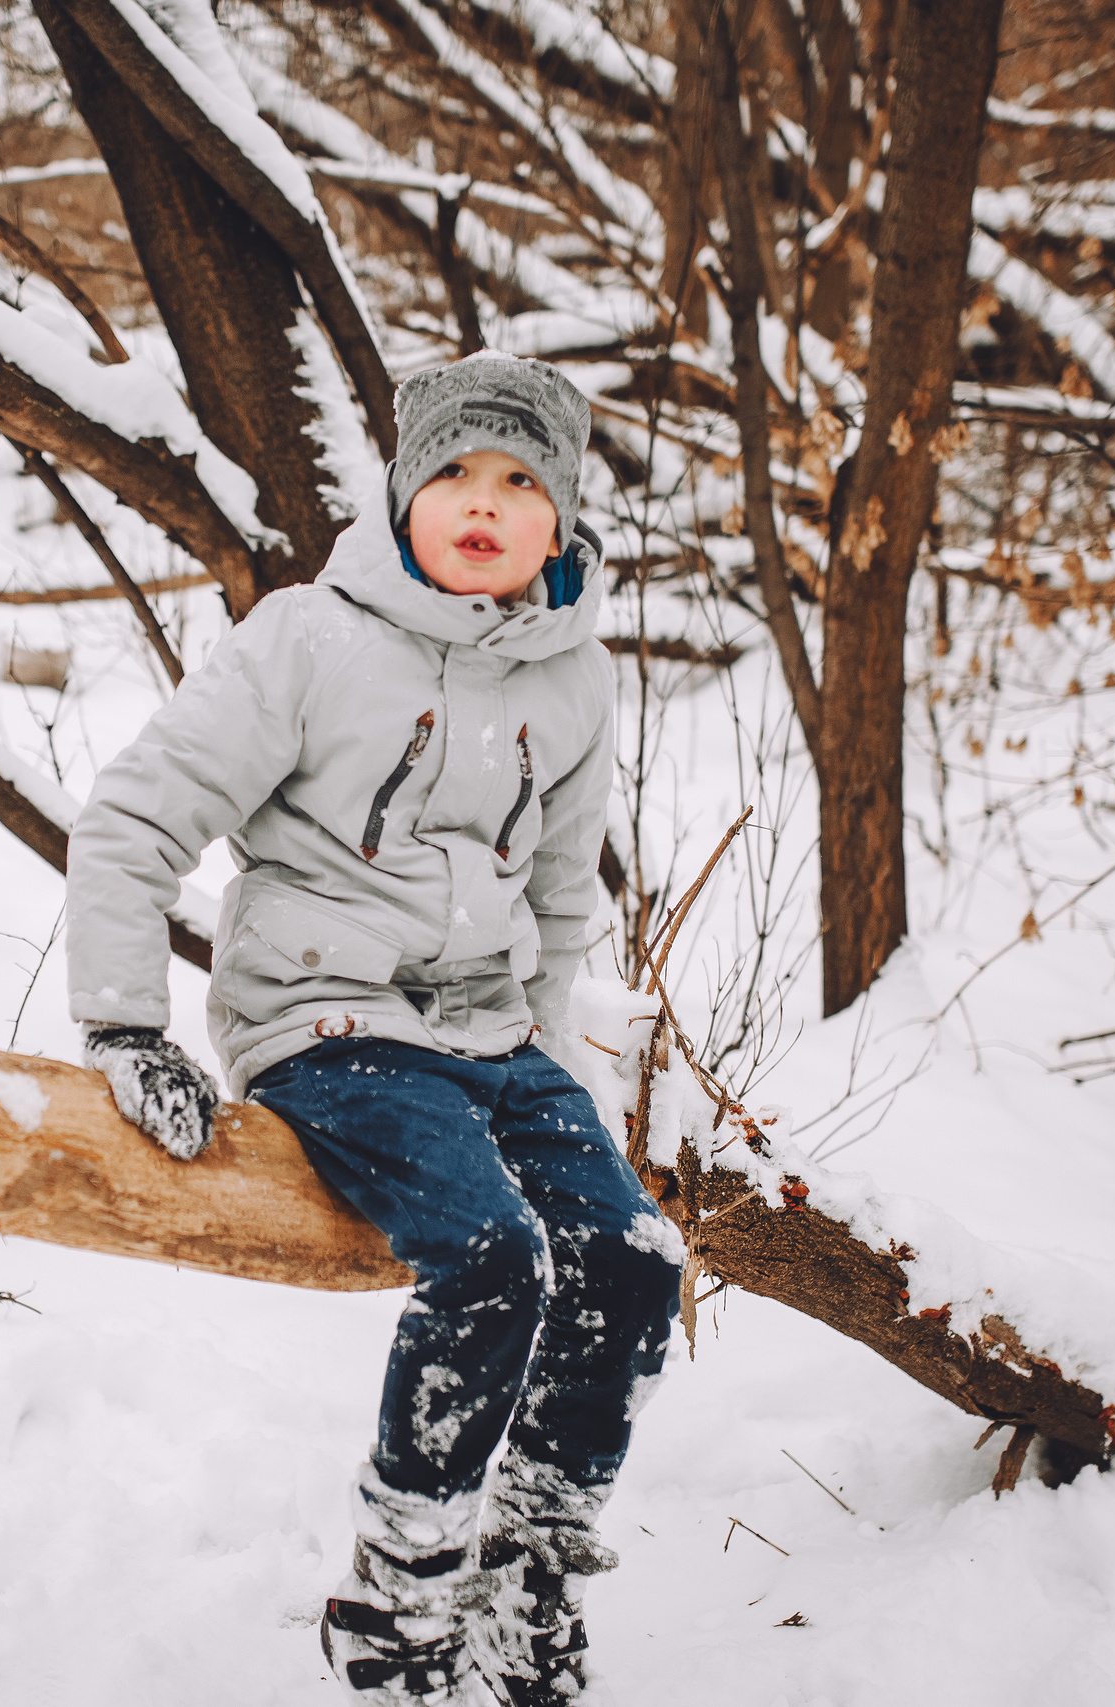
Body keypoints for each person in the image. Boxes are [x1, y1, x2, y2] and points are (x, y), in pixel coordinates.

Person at [66, 352, 683, 1706]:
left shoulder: (576, 680)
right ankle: (402, 1595)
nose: (483, 502)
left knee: (634, 1259)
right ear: (406, 490)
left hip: (492, 1033)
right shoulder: (313, 637)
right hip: (326, 1017)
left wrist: (557, 1081)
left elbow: (565, 897)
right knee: (490, 1254)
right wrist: (125, 1024)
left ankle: (530, 1570)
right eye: (456, 471)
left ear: (562, 519)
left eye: (520, 481)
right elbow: (136, 817)